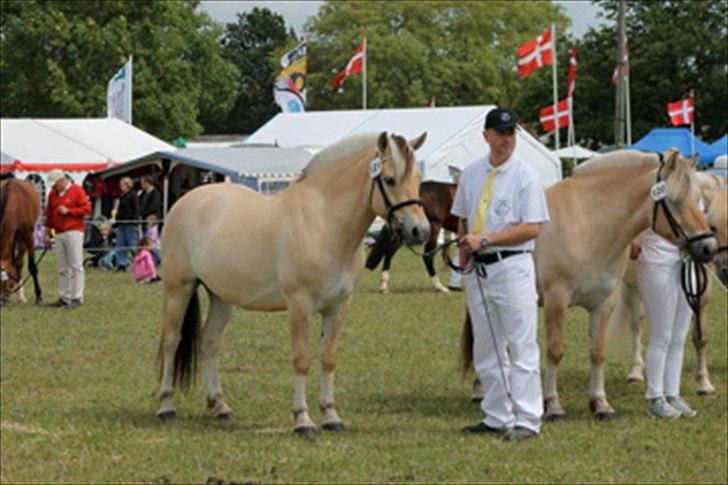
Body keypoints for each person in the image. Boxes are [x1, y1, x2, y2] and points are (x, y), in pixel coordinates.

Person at [451, 108, 550, 442]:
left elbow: (532, 227)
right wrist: (464, 253)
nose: (507, 139)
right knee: (487, 346)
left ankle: (528, 418)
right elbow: (462, 216)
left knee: (521, 344)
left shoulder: (525, 175)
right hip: (479, 268)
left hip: (512, 265)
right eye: (501, 133)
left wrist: (487, 240)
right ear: (487, 135)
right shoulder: (471, 173)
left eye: (511, 133)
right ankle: (496, 414)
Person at [634, 229, 699, 419]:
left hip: (687, 263)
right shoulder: (653, 197)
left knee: (679, 337)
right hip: (657, 260)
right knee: (661, 335)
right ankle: (655, 397)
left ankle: (672, 393)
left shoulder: (697, 199)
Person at [43, 169, 92, 309]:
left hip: (74, 231)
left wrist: (69, 211)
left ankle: (77, 297)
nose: (53, 187)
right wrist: (46, 233)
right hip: (59, 232)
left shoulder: (77, 190)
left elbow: (87, 209)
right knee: (62, 266)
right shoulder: (53, 195)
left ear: (62, 180)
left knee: (76, 265)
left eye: (55, 184)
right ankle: (64, 296)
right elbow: (49, 215)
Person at [114, 177, 140, 271]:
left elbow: (136, 209)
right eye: (121, 185)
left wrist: (135, 223)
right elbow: (119, 211)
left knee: (132, 245)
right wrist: (116, 223)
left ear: (128, 185)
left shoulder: (133, 195)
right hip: (121, 223)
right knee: (120, 244)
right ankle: (122, 264)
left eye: (123, 185)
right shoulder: (122, 196)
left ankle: (139, 262)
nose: (121, 187)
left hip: (130, 223)